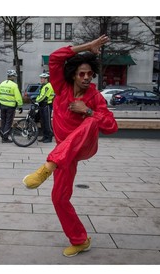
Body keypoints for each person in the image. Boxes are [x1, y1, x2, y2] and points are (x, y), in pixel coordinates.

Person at [22, 35, 118, 257]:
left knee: (93, 120)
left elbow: (112, 126)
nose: (86, 78)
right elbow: (55, 58)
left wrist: (88, 110)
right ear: (74, 74)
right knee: (59, 198)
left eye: (89, 74)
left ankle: (47, 167)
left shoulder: (94, 97)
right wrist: (88, 47)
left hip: (83, 146)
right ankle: (80, 240)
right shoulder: (61, 87)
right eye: (82, 74)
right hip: (65, 154)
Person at [0, 69, 23, 143]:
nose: (15, 78)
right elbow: (18, 96)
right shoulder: (14, 85)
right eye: (14, 76)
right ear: (12, 77)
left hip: (2, 105)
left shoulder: (2, 83)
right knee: (8, 121)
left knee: (3, 121)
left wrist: (0, 102)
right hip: (10, 106)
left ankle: (2, 135)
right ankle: (5, 138)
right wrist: (20, 106)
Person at [36, 72, 55, 143]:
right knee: (43, 122)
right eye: (41, 78)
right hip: (42, 105)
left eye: (42, 78)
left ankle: (49, 137)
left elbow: (43, 96)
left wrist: (36, 101)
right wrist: (37, 100)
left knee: (47, 122)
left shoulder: (48, 86)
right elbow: (40, 95)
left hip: (46, 105)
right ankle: (45, 136)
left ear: (46, 79)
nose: (41, 80)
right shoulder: (43, 86)